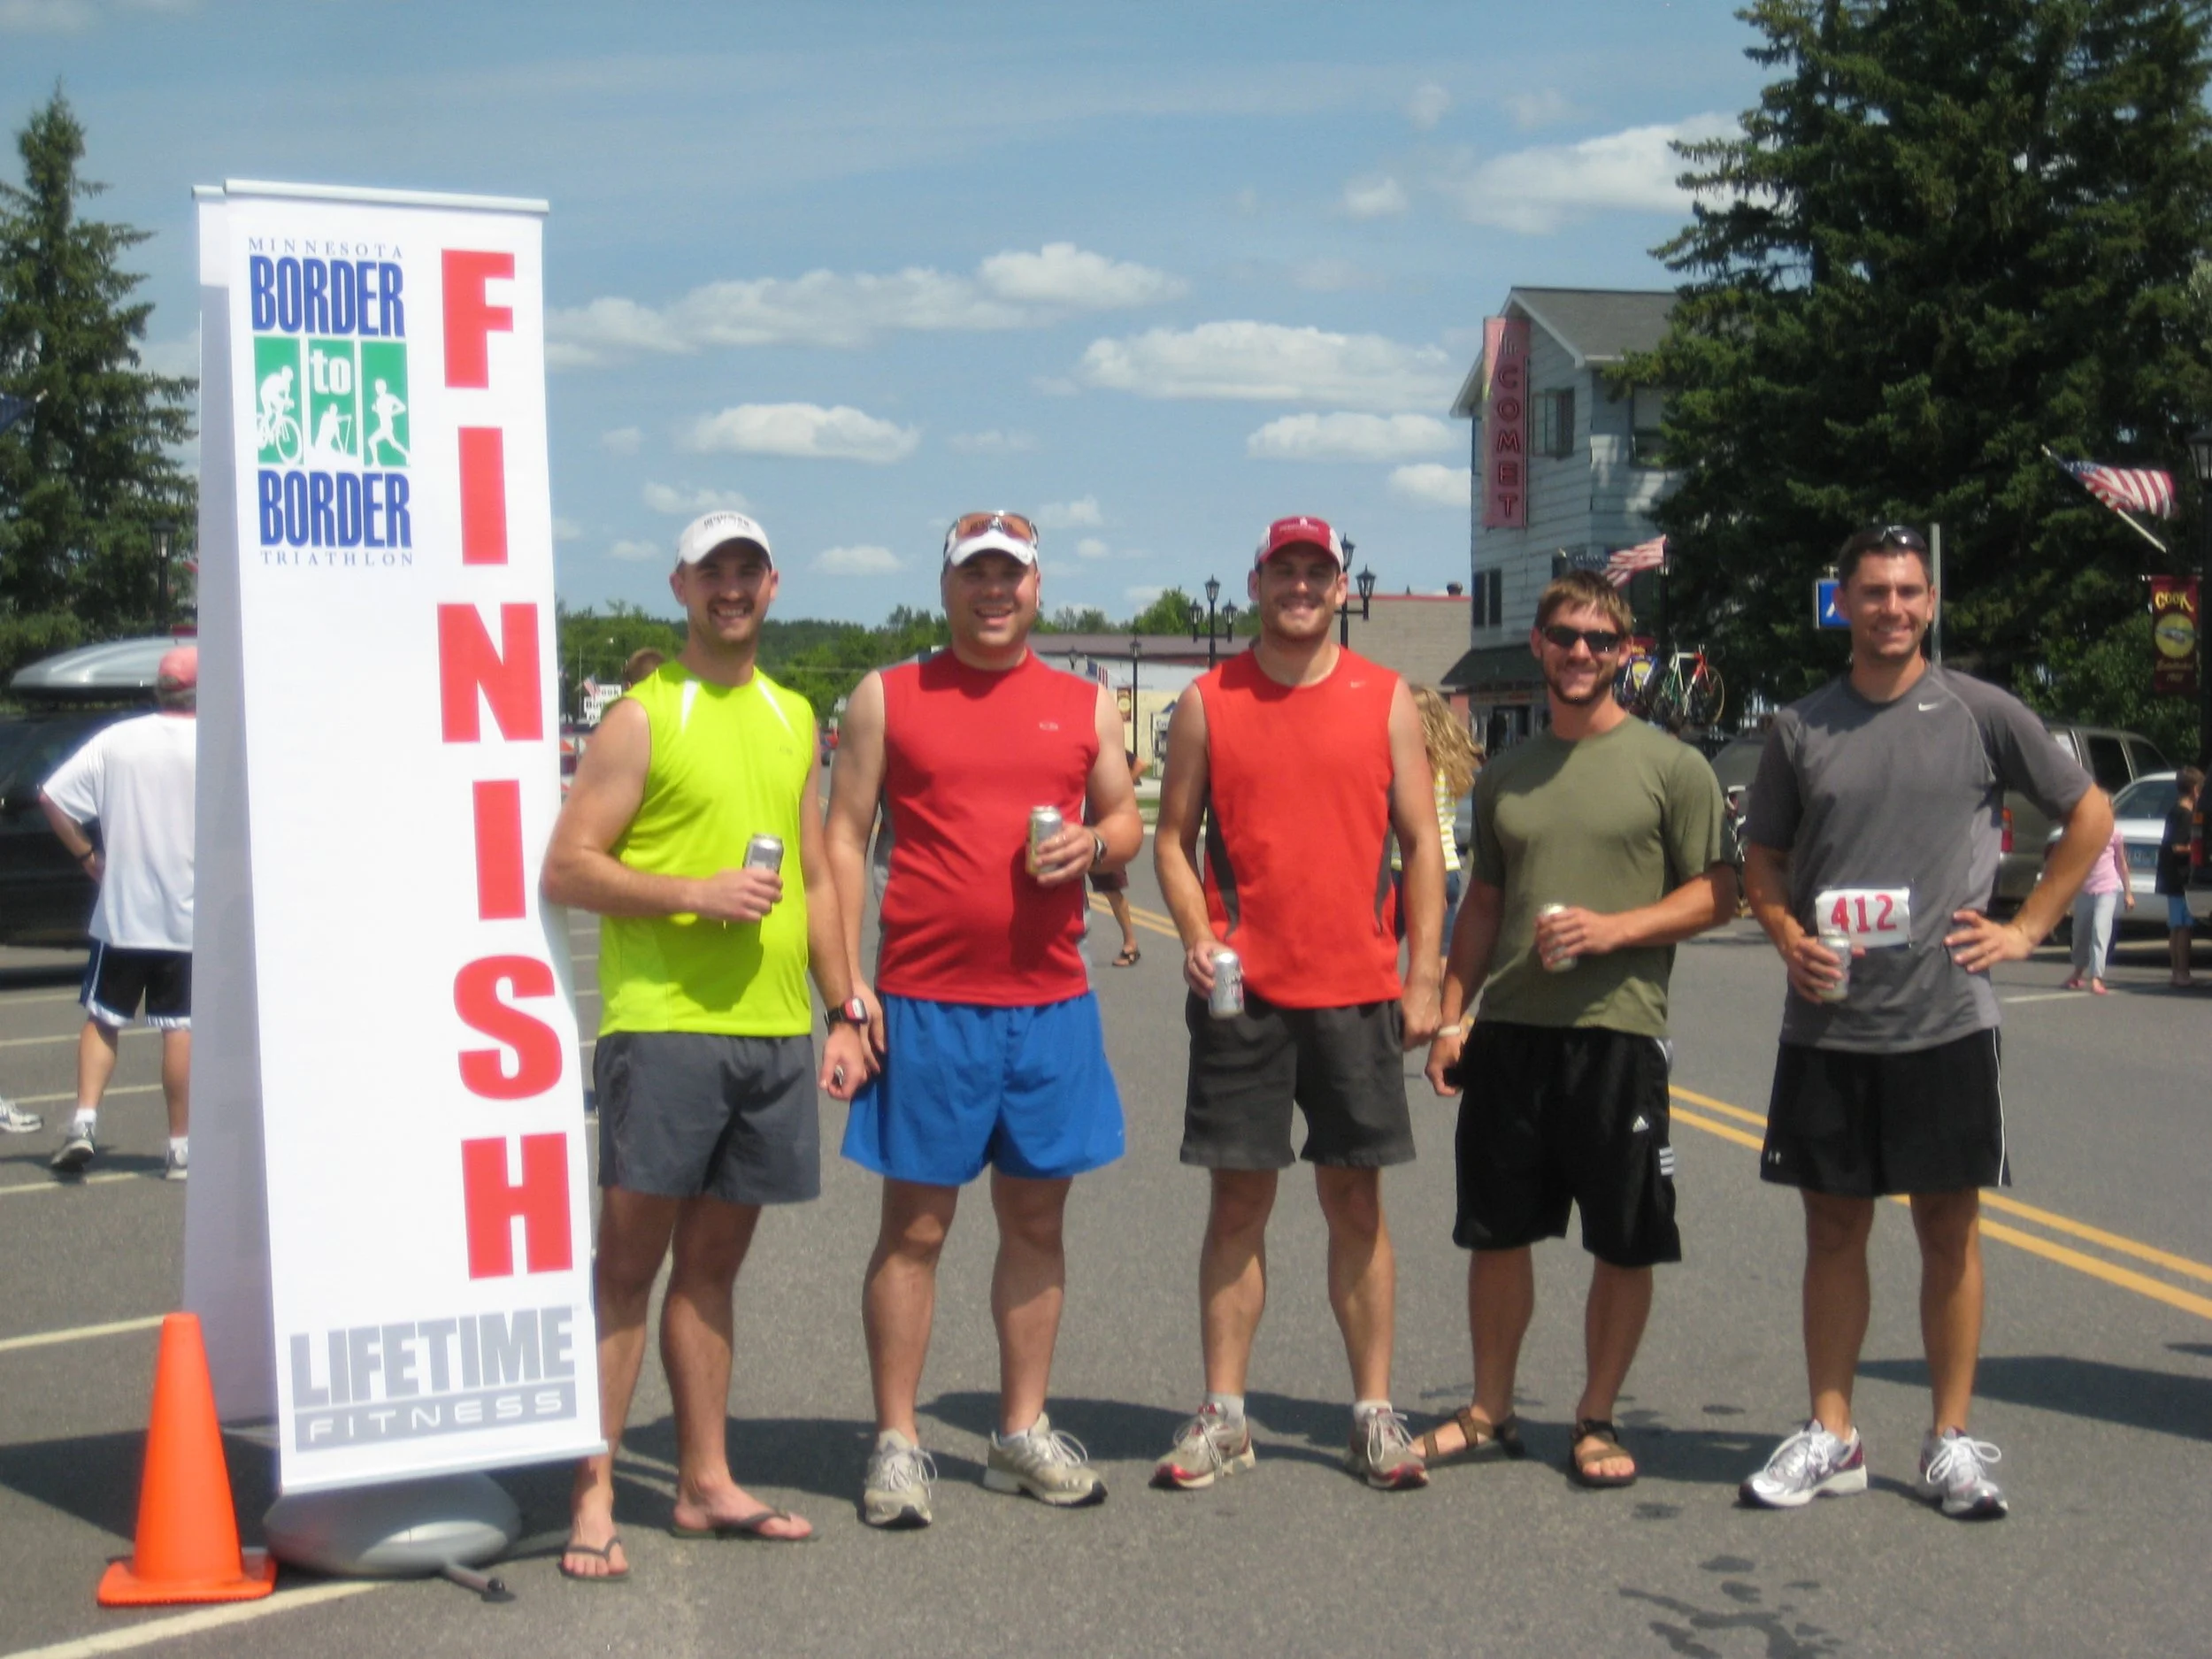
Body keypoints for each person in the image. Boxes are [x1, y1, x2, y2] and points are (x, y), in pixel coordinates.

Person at [1737, 524, 2111, 1522]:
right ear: (1843, 604)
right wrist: (1786, 936)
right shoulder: (1800, 727)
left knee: (1948, 1228)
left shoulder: (1981, 712)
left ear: (1930, 602)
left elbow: (2089, 813)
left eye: (1909, 591)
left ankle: (1949, 1441)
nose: (1892, 608)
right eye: (1874, 592)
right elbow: (1763, 861)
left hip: (1946, 1020)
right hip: (1829, 1024)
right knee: (1832, 1228)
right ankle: (1832, 1433)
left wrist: (2028, 927)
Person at [542, 510, 872, 1579]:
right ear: (679, 586)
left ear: (772, 586)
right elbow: (568, 866)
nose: (730, 588)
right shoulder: (643, 716)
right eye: (711, 571)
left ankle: (703, 1482)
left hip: (771, 1033)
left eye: (747, 571)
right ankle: (592, 1491)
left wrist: (843, 1006)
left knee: (714, 1268)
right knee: (626, 1268)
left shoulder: (792, 713)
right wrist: (694, 891)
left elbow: (815, 875)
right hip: (665, 1030)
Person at [826, 511, 1141, 1529]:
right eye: (975, 575)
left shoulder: (1082, 703)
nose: (993, 591)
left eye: (1010, 575)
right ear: (946, 586)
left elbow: (1124, 818)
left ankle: (1018, 1430)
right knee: (914, 1229)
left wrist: (1095, 844)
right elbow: (843, 840)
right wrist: (847, 992)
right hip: (926, 1006)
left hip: (1047, 1006)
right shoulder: (889, 695)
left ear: (1037, 587)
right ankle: (897, 1442)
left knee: (1036, 1223)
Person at [1419, 573, 1733, 1489]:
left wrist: (1614, 930)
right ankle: (1489, 1408)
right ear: (1539, 645)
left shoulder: (1672, 768)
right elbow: (1483, 904)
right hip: (1511, 1030)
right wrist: (1452, 1016)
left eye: (1600, 640)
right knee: (1495, 1231)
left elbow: (1718, 892)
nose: (1581, 653)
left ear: (1626, 652)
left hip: (1617, 1032)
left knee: (1624, 1236)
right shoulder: (1505, 775)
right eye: (1565, 636)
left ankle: (1595, 1416)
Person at [1152, 513, 1445, 1494]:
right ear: (1257, 583)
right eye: (1285, 571)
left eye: (1318, 572)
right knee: (1238, 1201)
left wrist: (1424, 974)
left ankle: (1373, 1415)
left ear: (1340, 587)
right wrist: (1196, 934)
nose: (1301, 587)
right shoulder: (1208, 699)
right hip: (1245, 996)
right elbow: (1173, 838)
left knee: (1355, 1200)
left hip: (1356, 992)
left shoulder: (1384, 697)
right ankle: (1224, 1415)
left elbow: (1421, 844)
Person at [35, 648, 199, 1179]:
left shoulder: (118, 740)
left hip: (124, 910)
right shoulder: (217, 744)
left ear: (159, 687)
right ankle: (179, 1148)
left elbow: (52, 797)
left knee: (104, 1018)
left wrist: (88, 856)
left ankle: (83, 1124)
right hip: (188, 917)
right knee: (179, 1029)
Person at [1395, 686, 1481, 964]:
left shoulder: (1408, 767)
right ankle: (1442, 996)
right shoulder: (1451, 766)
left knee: (1382, 950)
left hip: (1404, 867)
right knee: (1439, 955)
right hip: (1448, 867)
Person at [2062, 816, 2131, 995]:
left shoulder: (2115, 834)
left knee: (2100, 930)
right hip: (2084, 890)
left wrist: (2128, 892)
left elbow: (2121, 863)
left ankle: (2096, 977)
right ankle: (2078, 972)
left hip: (2107, 888)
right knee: (2080, 933)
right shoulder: (2082, 831)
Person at [1096, 750, 1149, 966]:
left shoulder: (1103, 744)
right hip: (1076, 820)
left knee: (1111, 888)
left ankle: (1131, 945)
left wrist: (1120, 793)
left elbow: (1140, 765)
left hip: (1103, 826)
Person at [2156, 767, 2199, 988]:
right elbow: (2178, 846)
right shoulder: (2185, 814)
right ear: (2195, 790)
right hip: (2180, 878)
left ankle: (2177, 972)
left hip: (2171, 877)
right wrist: (2197, 849)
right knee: (2183, 928)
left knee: (2176, 927)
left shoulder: (2174, 811)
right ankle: (2182, 973)